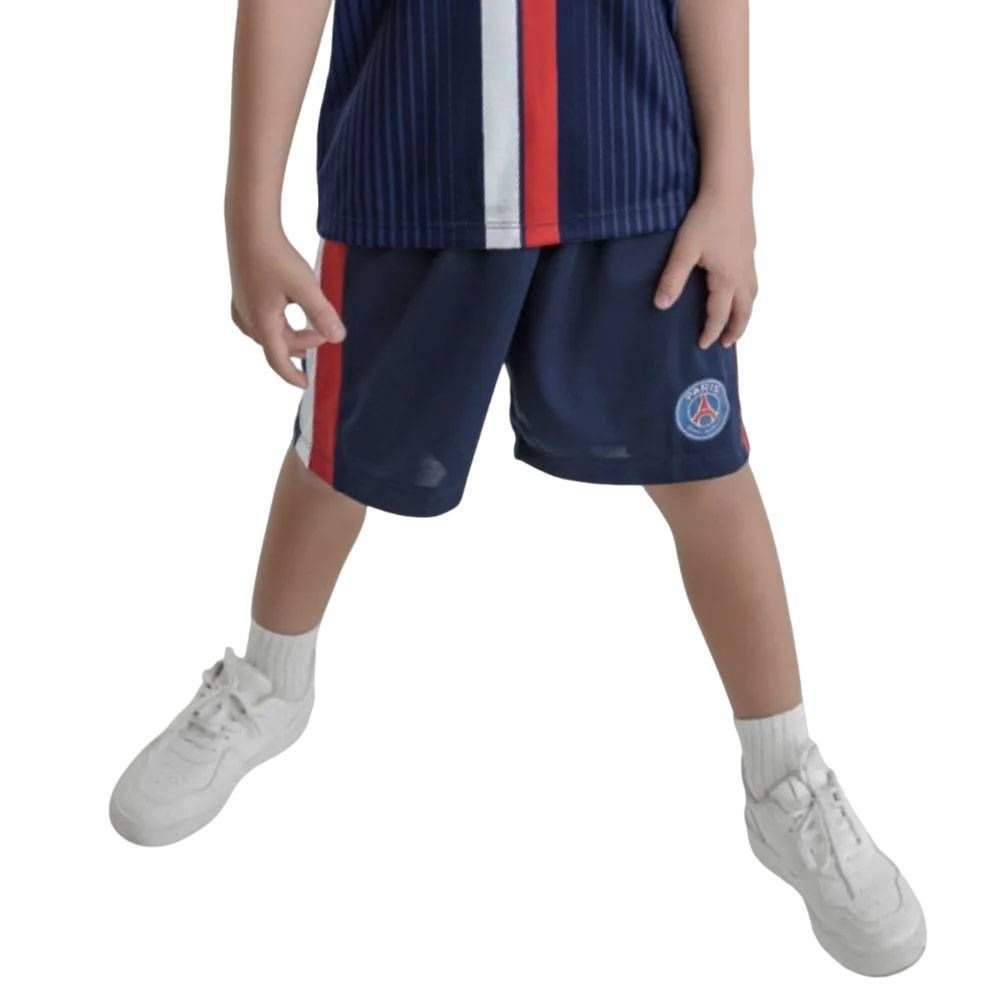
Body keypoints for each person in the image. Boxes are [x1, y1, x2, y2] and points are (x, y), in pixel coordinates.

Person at [110, 0, 925, 977]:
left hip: (631, 180)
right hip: (408, 173)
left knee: (708, 478)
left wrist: (731, 184)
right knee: (336, 460)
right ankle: (267, 686)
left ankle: (785, 776)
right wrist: (249, 212)